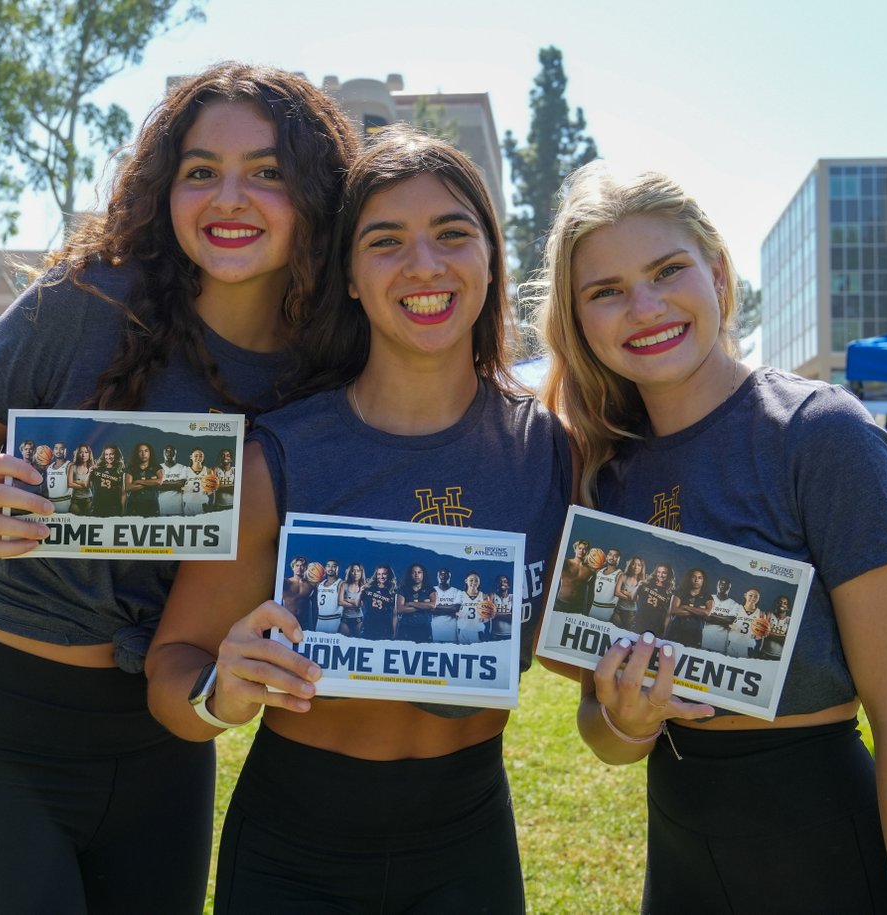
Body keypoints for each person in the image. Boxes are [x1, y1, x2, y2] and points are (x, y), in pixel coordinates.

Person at [0, 62, 356, 914]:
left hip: (166, 743)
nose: (230, 197)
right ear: (165, 187)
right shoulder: (90, 300)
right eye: (200, 172)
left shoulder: (329, 371)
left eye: (267, 172)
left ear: (318, 196)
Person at [145, 126, 572, 913]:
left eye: (453, 234)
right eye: (386, 242)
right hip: (293, 851)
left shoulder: (551, 453)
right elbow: (171, 670)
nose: (424, 265)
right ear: (347, 273)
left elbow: (589, 652)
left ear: (489, 259)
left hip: (469, 844)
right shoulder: (280, 456)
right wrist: (223, 691)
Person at [537, 163, 887, 912]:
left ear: (718, 273)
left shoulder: (822, 434)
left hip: (826, 856)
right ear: (578, 318)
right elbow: (601, 728)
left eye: (668, 270)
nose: (646, 306)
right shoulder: (605, 473)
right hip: (683, 862)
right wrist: (628, 723)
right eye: (606, 290)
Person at [665, 567, 711, 648]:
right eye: (694, 577)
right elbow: (674, 610)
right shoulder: (679, 592)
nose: (696, 580)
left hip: (693, 635)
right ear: (690, 578)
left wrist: (685, 607)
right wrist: (699, 611)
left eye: (699, 578)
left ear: (703, 580)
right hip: (675, 632)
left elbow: (707, 612)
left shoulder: (707, 597)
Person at [124, 442, 162, 517]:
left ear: (150, 453)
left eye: (146, 451)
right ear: (136, 453)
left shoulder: (157, 467)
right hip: (133, 506)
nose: (143, 453)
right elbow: (128, 487)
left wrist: (138, 481)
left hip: (151, 505)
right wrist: (151, 482)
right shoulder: (131, 468)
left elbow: (159, 481)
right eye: (140, 451)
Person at [586, 547, 623, 622]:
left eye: (615, 556)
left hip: (607, 609)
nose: (612, 557)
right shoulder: (599, 571)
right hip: (594, 606)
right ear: (606, 557)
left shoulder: (620, 574)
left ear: (619, 559)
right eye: (610, 554)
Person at [90, 444, 126, 517]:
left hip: (113, 507)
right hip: (97, 506)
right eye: (106, 454)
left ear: (116, 455)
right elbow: (88, 485)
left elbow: (123, 493)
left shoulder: (120, 472)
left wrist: (122, 511)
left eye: (111, 454)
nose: (108, 457)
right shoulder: (98, 468)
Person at [613, 556, 644, 631]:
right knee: (613, 631)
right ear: (630, 565)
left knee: (626, 634)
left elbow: (636, 599)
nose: (636, 567)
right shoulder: (623, 576)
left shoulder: (642, 582)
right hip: (618, 610)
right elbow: (616, 592)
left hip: (631, 613)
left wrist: (624, 592)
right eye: (634, 564)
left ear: (641, 568)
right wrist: (631, 596)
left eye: (639, 565)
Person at [157, 445, 189, 516]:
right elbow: (156, 485)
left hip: (178, 509)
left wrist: (163, 483)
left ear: (175, 453)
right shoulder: (157, 468)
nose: (169, 453)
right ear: (163, 454)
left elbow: (181, 484)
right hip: (162, 509)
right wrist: (175, 484)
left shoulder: (183, 468)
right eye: (166, 451)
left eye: (171, 451)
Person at [337, 561, 366, 638]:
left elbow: (361, 604)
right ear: (350, 572)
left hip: (358, 619)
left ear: (361, 573)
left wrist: (347, 599)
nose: (355, 573)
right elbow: (340, 602)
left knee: (359, 642)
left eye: (358, 571)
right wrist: (355, 602)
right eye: (353, 570)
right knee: (343, 641)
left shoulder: (364, 586)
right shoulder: (344, 584)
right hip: (345, 619)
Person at [181, 447, 213, 515]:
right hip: (188, 504)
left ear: (203, 457)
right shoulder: (185, 470)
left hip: (202, 504)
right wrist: (187, 488)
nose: (198, 458)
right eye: (196, 456)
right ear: (191, 457)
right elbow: (180, 488)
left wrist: (209, 489)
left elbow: (210, 492)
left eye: (201, 456)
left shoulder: (208, 471)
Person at [43, 442, 73, 513]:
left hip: (64, 501)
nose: (58, 451)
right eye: (56, 449)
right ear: (53, 451)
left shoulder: (69, 465)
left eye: (61, 449)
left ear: (65, 451)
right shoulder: (49, 467)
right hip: (51, 501)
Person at [68, 443, 94, 516]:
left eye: (86, 452)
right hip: (75, 500)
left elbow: (90, 485)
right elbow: (69, 484)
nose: (83, 455)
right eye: (81, 452)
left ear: (89, 454)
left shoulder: (92, 467)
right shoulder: (72, 467)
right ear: (77, 454)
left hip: (88, 500)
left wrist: (76, 481)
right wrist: (84, 484)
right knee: (74, 522)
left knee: (88, 522)